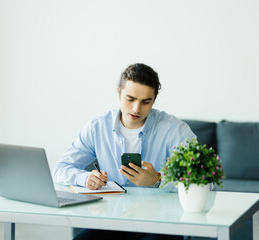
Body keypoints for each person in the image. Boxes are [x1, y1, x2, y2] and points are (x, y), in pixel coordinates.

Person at [53, 63, 195, 240]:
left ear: (154, 100)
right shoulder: (97, 127)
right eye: (130, 99)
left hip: (161, 223)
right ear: (119, 93)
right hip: (112, 223)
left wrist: (158, 180)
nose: (136, 109)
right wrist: (85, 178)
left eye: (145, 102)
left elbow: (205, 182)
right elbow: (60, 169)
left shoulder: (174, 130)